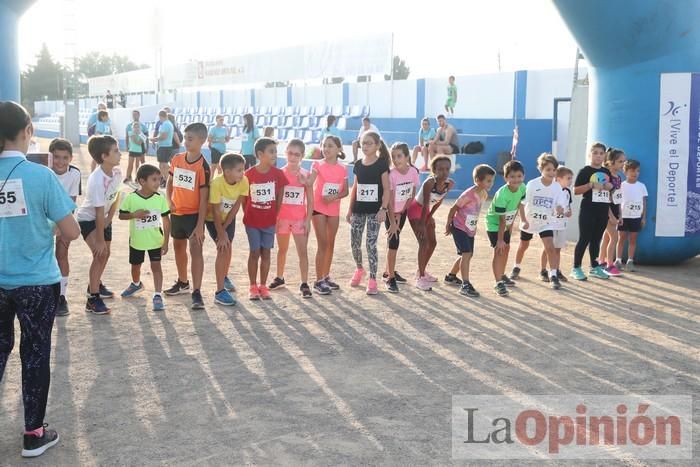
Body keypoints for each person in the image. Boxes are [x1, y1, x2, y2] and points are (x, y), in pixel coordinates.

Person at [0, 101, 80, 458]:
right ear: (28, 131)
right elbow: (72, 230)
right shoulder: (41, 175)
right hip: (35, 283)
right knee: (34, 354)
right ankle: (33, 433)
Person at [163, 123, 210, 309]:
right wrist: (169, 201)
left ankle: (196, 292)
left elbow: (204, 198)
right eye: (185, 137)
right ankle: (183, 282)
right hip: (177, 213)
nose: (185, 142)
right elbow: (169, 182)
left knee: (196, 251)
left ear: (202, 141)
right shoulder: (176, 159)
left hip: (194, 216)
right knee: (178, 248)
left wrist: (200, 225)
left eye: (190, 139)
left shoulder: (203, 166)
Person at [76, 135, 122, 314]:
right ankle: (92, 299)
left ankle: (96, 284)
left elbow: (116, 195)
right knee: (100, 254)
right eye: (116, 151)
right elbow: (96, 212)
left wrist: (111, 217)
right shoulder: (96, 179)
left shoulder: (117, 172)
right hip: (89, 219)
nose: (120, 154)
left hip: (104, 218)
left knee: (106, 254)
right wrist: (100, 240)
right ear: (104, 156)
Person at [510, 153, 568, 289]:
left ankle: (553, 275)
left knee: (550, 247)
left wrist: (560, 208)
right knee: (523, 246)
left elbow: (560, 203)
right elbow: (522, 204)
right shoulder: (532, 184)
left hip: (546, 222)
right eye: (548, 169)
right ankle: (516, 267)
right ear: (540, 169)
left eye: (554, 170)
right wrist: (524, 220)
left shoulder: (557, 187)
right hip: (530, 221)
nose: (551, 172)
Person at [347, 131, 394, 295]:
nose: (365, 146)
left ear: (377, 146)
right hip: (358, 210)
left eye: (369, 143)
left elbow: (387, 189)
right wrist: (349, 209)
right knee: (354, 242)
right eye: (363, 143)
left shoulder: (381, 164)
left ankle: (373, 279)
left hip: (375, 212)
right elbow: (355, 188)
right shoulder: (358, 164)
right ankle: (359, 269)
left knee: (370, 244)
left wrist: (383, 209)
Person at [118, 164, 171, 311]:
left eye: (159, 179)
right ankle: (136, 284)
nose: (158, 183)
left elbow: (166, 220)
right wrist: (134, 215)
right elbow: (121, 215)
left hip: (155, 241)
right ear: (142, 181)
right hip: (137, 241)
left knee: (156, 267)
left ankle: (157, 295)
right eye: (154, 179)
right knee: (136, 266)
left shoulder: (160, 198)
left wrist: (166, 242)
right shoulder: (131, 198)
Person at [268, 139, 314, 298]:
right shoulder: (279, 173)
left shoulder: (306, 174)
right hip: (282, 219)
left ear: (302, 156)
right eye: (290, 153)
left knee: (303, 251)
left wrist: (308, 220)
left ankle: (304, 283)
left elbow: (311, 199)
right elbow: (275, 198)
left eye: (297, 154)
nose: (293, 157)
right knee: (282, 250)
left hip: (299, 220)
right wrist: (274, 218)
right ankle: (279, 277)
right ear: (285, 152)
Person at [244, 137, 288, 300]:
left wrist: (273, 215)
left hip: (269, 222)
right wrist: (250, 214)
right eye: (271, 151)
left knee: (266, 253)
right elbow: (244, 199)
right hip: (252, 222)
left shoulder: (278, 174)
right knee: (254, 252)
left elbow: (280, 196)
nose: (275, 154)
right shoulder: (248, 174)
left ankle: (263, 286)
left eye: (276, 151)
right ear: (260, 154)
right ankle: (252, 286)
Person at [444, 164, 496, 297]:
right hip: (459, 226)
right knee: (466, 253)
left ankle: (451, 276)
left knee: (467, 254)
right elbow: (453, 208)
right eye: (488, 180)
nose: (491, 183)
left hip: (470, 229)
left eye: (492, 180)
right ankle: (465, 284)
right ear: (478, 180)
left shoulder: (484, 194)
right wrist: (448, 224)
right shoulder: (468, 194)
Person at [405, 155, 454, 291]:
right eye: (440, 169)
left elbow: (439, 201)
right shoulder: (429, 183)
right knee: (423, 242)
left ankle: (422, 270)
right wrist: (422, 222)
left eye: (447, 169)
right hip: (416, 209)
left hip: (426, 211)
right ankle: (420, 278)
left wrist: (430, 217)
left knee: (433, 242)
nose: (444, 172)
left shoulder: (450, 184)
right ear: (434, 170)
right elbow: (425, 203)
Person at [206, 153, 248, 306]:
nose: (243, 173)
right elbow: (215, 211)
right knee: (223, 249)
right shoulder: (216, 184)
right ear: (227, 172)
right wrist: (220, 233)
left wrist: (224, 230)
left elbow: (236, 206)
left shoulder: (243, 181)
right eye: (239, 170)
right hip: (212, 220)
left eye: (243, 170)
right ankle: (219, 292)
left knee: (228, 247)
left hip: (228, 219)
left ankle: (224, 276)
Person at [310, 135, 349, 294]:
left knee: (330, 244)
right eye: (324, 145)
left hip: (333, 209)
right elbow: (310, 183)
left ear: (339, 149)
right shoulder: (317, 165)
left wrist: (334, 197)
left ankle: (326, 276)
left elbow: (345, 191)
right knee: (323, 243)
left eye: (330, 146)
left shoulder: (343, 168)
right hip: (318, 208)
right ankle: (318, 280)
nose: (326, 149)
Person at [571, 142, 614, 281]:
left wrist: (610, 186)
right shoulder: (585, 171)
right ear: (590, 154)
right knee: (584, 238)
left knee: (596, 239)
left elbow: (611, 190)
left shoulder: (607, 172)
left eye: (601, 153)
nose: (598, 156)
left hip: (602, 210)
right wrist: (590, 185)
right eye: (595, 153)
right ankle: (576, 268)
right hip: (588, 210)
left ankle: (594, 267)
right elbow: (576, 190)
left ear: (604, 156)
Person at [49, 138, 81, 317]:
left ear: (70, 158)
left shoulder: (74, 173)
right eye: (56, 157)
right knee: (44, 256)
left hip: (63, 217)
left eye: (65, 158)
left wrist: (62, 227)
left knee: (61, 254)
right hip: (43, 220)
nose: (60, 162)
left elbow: (71, 202)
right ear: (49, 156)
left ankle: (61, 297)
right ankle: (46, 294)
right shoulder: (44, 170)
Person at [485, 160, 526, 296]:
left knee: (506, 248)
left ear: (523, 176)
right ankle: (498, 283)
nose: (516, 179)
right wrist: (500, 240)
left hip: (506, 225)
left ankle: (501, 275)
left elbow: (519, 205)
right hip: (494, 224)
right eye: (512, 176)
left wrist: (520, 221)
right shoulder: (502, 194)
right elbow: (502, 219)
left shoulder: (522, 188)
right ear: (506, 178)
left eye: (519, 176)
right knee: (500, 250)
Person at [383, 142, 420, 293]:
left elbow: (411, 194)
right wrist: (393, 221)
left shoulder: (413, 172)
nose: (396, 160)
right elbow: (390, 201)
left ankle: (388, 270)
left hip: (402, 212)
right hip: (390, 212)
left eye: (399, 156)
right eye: (393, 157)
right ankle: (390, 278)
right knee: (393, 243)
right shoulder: (391, 175)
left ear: (407, 157)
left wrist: (403, 211)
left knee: (393, 241)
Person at [539, 166, 573, 283]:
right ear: (558, 179)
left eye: (571, 178)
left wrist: (568, 212)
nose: (570, 181)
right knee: (547, 248)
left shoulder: (568, 192)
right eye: (568, 178)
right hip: (550, 224)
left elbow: (568, 206)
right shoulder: (551, 190)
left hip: (561, 225)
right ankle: (543, 270)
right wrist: (555, 210)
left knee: (557, 249)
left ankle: (556, 270)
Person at [598, 148, 626, 276]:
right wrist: (610, 216)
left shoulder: (619, 178)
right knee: (614, 237)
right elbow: (604, 198)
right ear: (611, 162)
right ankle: (609, 265)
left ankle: (601, 261)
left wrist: (619, 214)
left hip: (615, 211)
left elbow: (618, 197)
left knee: (607, 237)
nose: (623, 164)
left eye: (624, 161)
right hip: (606, 211)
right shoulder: (606, 177)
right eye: (620, 161)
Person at [616, 159, 647, 271]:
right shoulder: (621, 186)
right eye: (632, 170)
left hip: (636, 217)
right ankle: (618, 260)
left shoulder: (642, 186)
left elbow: (644, 202)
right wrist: (619, 215)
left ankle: (630, 261)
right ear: (626, 172)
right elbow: (618, 201)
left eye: (637, 171)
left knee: (633, 240)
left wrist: (643, 217)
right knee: (621, 238)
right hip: (624, 217)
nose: (635, 173)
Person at [150, 109, 175, 188]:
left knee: (163, 164)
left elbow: (163, 136)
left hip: (164, 147)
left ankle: (169, 180)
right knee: (162, 164)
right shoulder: (168, 123)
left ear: (161, 116)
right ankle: (166, 179)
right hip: (165, 146)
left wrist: (154, 139)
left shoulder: (165, 124)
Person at [124, 110, 149, 184]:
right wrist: (127, 146)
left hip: (141, 147)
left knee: (142, 162)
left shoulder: (143, 126)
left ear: (139, 115)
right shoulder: (129, 126)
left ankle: (140, 177)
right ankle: (128, 177)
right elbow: (127, 136)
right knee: (130, 163)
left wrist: (147, 147)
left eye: (136, 114)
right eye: (133, 115)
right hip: (132, 146)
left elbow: (146, 137)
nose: (134, 116)